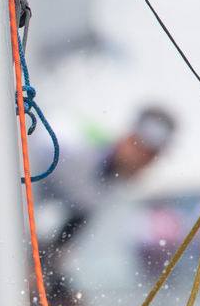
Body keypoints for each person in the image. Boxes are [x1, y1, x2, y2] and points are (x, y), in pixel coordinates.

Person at [35, 105, 176, 292]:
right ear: (130, 139)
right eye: (145, 155)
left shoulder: (111, 183)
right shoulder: (74, 150)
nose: (146, 165)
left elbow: (67, 235)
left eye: (153, 158)